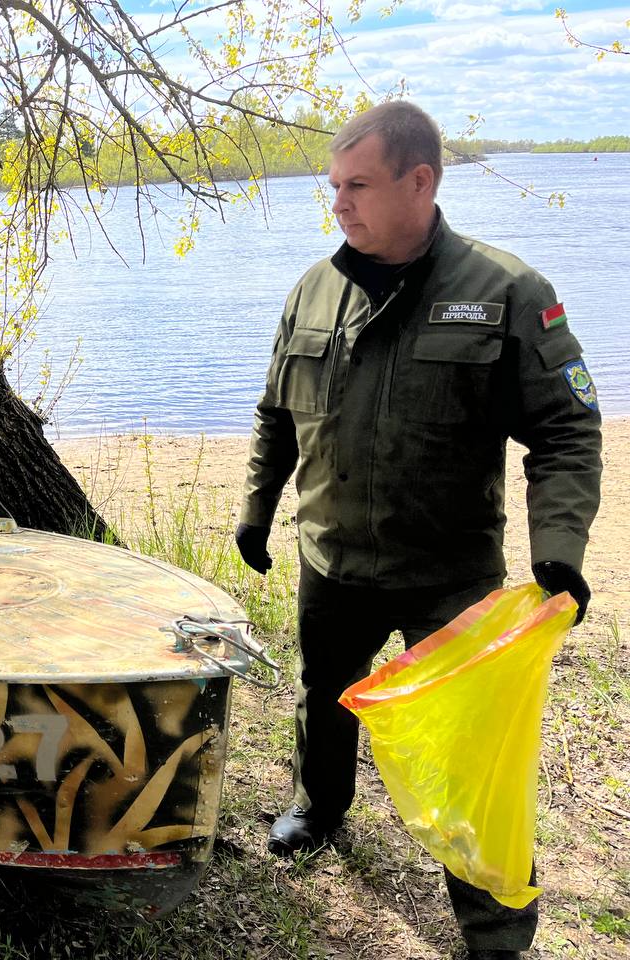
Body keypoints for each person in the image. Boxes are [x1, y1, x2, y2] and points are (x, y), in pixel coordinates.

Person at [236, 102, 601, 959]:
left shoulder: (507, 293)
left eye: (357, 186)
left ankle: (494, 925)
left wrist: (559, 552)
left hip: (450, 574)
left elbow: (566, 430)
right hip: (333, 556)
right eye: (334, 187)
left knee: (468, 756)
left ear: (420, 182)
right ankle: (319, 811)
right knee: (324, 695)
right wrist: (258, 510)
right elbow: (274, 416)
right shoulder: (312, 289)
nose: (339, 204)